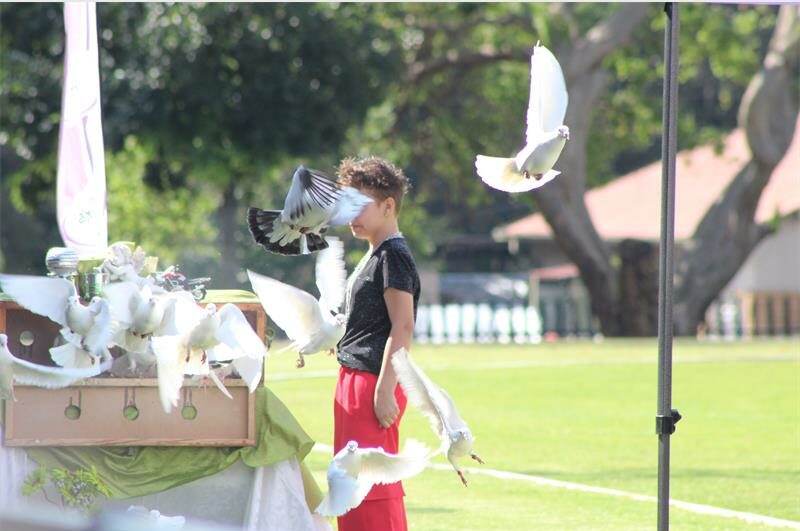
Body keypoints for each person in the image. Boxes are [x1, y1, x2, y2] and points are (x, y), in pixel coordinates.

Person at [333, 156, 421, 531]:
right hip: (355, 380)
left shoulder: (394, 255)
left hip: (373, 382)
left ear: (388, 206)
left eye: (361, 205)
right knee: (349, 488)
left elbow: (402, 326)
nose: (351, 215)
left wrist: (386, 389)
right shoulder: (375, 253)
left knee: (372, 492)